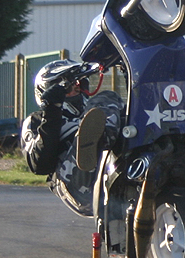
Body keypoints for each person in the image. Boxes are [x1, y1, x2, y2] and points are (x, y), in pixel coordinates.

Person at [21, 59, 124, 216]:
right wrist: (52, 111)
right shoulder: (36, 120)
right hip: (74, 185)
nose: (77, 85)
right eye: (68, 84)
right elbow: (39, 165)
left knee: (109, 98)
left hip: (113, 178)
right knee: (103, 100)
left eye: (79, 82)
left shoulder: (94, 113)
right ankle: (94, 147)